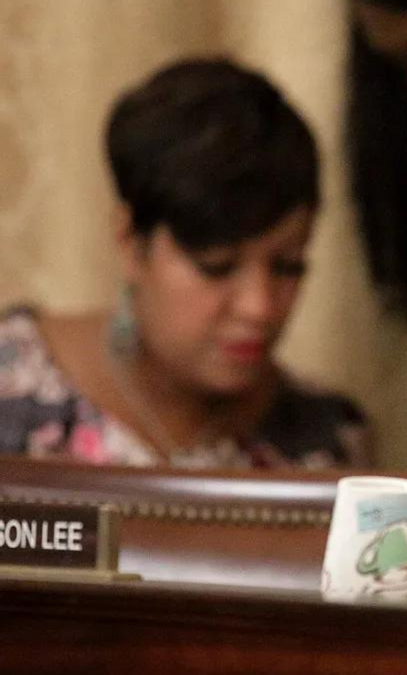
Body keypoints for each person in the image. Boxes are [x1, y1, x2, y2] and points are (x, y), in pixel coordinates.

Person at [0, 59, 370, 469]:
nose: (259, 307)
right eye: (217, 266)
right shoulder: (12, 387)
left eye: (287, 266)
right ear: (130, 241)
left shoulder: (328, 439)